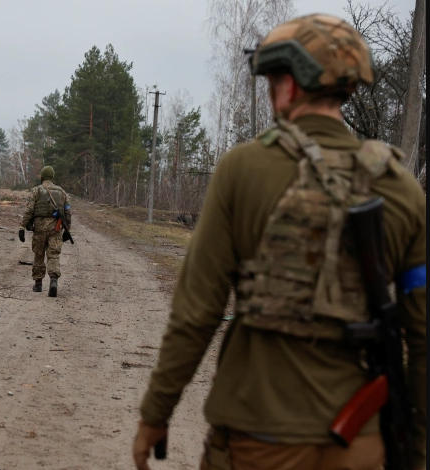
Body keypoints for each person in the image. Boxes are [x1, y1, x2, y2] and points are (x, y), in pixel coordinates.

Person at [132, 14, 425, 470]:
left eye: (272, 81)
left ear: (289, 85)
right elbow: (422, 335)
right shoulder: (401, 187)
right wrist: (416, 448)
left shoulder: (243, 170)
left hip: (257, 437)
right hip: (361, 444)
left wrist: (157, 411)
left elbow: (197, 312)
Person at [19, 166, 72, 297]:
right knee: (53, 255)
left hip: (39, 228)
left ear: (42, 176)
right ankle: (53, 280)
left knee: (39, 254)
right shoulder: (62, 192)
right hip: (55, 228)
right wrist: (67, 229)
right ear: (52, 176)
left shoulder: (36, 190)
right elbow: (68, 212)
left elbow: (29, 210)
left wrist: (22, 226)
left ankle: (38, 284)